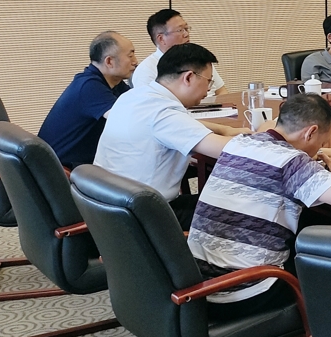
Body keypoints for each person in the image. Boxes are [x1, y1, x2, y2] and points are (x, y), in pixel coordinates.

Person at [186, 93, 331, 337]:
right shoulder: (292, 163)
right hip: (240, 290)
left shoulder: (241, 143)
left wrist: (321, 154)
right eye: (321, 142)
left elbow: (285, 156)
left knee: (310, 242)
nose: (319, 149)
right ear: (310, 132)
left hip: (198, 282)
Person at [95, 43, 245, 229]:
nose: (208, 90)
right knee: (248, 209)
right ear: (188, 77)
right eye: (209, 81)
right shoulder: (164, 113)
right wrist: (272, 132)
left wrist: (225, 130)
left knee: (224, 200)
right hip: (147, 219)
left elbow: (180, 123)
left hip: (111, 210)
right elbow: (231, 151)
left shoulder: (133, 96)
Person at [39, 31, 139, 168]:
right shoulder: (89, 86)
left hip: (81, 166)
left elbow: (140, 106)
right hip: (61, 170)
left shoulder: (114, 83)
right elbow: (127, 121)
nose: (135, 62)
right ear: (109, 61)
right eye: (130, 56)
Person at [133, 8, 225, 92]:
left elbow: (221, 91)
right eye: (180, 30)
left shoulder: (199, 58)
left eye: (186, 29)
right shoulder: (146, 71)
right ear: (161, 39)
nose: (186, 34)